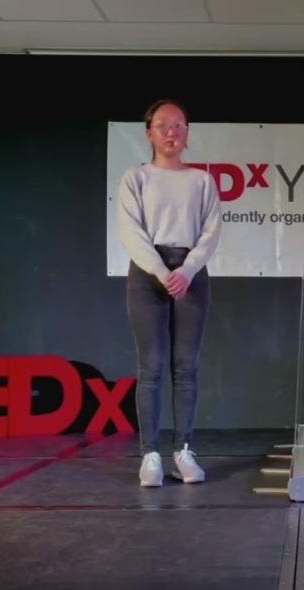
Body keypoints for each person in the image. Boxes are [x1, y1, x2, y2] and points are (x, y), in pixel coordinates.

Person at [115, 99, 222, 487]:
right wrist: (162, 272)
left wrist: (187, 270)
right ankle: (150, 456)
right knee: (153, 367)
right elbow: (131, 231)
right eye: (163, 125)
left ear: (187, 132)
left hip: (190, 275)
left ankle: (183, 451)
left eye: (179, 125)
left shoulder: (202, 181)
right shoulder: (136, 178)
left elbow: (211, 230)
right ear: (149, 134)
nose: (172, 132)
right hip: (148, 274)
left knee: (186, 367)